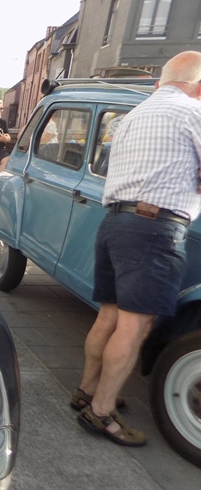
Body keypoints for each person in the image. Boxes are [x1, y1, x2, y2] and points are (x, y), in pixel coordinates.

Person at [73, 50, 201, 447]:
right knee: (135, 326)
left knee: (109, 315)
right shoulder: (193, 113)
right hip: (155, 228)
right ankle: (101, 412)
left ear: (162, 82)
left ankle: (86, 391)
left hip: (115, 222)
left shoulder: (132, 116)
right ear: (198, 87)